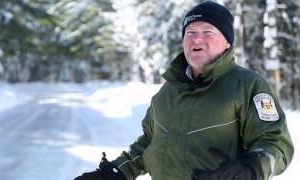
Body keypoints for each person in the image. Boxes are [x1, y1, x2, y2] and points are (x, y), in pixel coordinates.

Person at [74, 1, 294, 180]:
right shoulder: (167, 91)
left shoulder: (247, 86)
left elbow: (275, 143)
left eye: (208, 31)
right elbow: (149, 144)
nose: (197, 39)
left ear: (227, 42)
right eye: (190, 32)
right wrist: (114, 172)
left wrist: (250, 169)